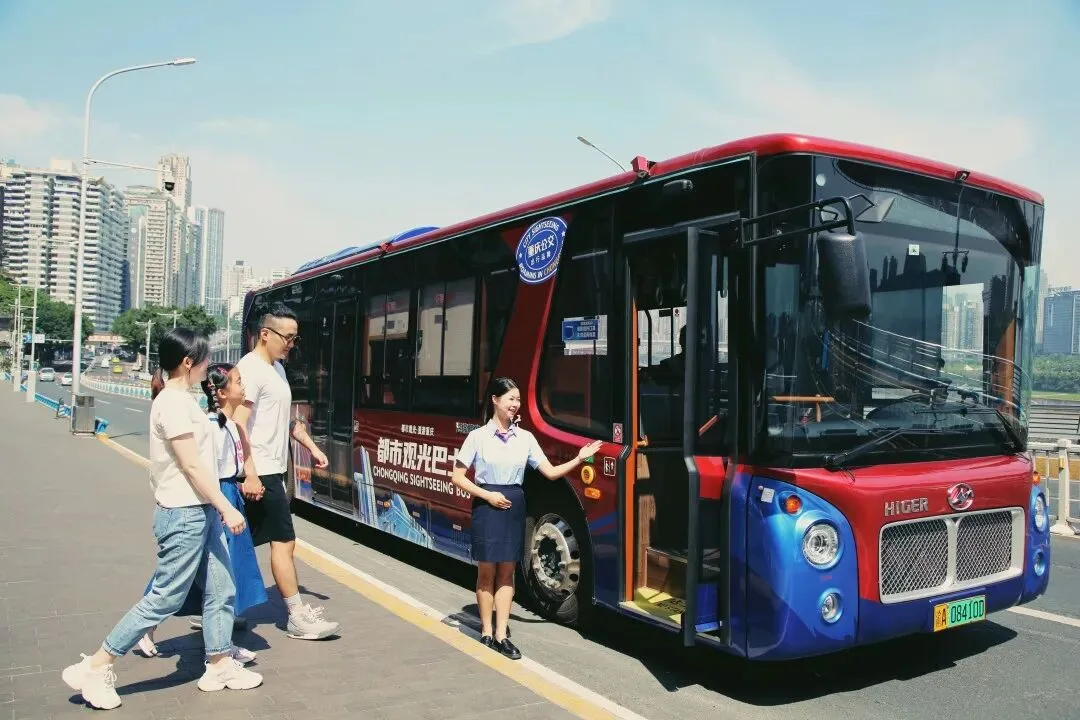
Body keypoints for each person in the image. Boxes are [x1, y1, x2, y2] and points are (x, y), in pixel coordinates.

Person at [62, 329, 262, 711]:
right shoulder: (171, 403)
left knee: (222, 589)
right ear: (189, 363)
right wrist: (226, 505)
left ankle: (219, 662)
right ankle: (98, 664)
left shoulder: (184, 400)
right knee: (165, 596)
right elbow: (190, 464)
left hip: (199, 510)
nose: (208, 367)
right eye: (204, 360)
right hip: (184, 513)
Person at [449, 377, 602, 660]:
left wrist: (580, 458)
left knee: (507, 573)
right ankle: (485, 630)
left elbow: (550, 473)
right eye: (510, 399)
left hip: (513, 504)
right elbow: (458, 477)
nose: (515, 405)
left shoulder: (525, 438)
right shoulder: (478, 437)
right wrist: (487, 495)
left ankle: (501, 634)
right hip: (487, 505)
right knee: (486, 573)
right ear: (495, 400)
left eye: (518, 400)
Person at [134, 363, 269, 662]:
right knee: (187, 570)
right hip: (218, 499)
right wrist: (223, 505)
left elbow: (238, 460)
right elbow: (203, 471)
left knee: (221, 575)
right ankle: (148, 627)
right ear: (221, 393)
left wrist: (248, 480)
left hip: (229, 497)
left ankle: (220, 644)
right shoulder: (210, 426)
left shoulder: (232, 425)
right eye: (236, 382)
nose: (243, 386)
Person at [234, 302, 339, 640]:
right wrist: (249, 473)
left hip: (271, 469)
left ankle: (219, 607)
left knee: (237, 543)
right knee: (284, 541)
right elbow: (239, 424)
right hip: (260, 470)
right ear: (265, 334)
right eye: (288, 337)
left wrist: (311, 447)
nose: (292, 344)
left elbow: (288, 421)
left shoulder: (276, 369)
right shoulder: (250, 370)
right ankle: (295, 615)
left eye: (295, 338)